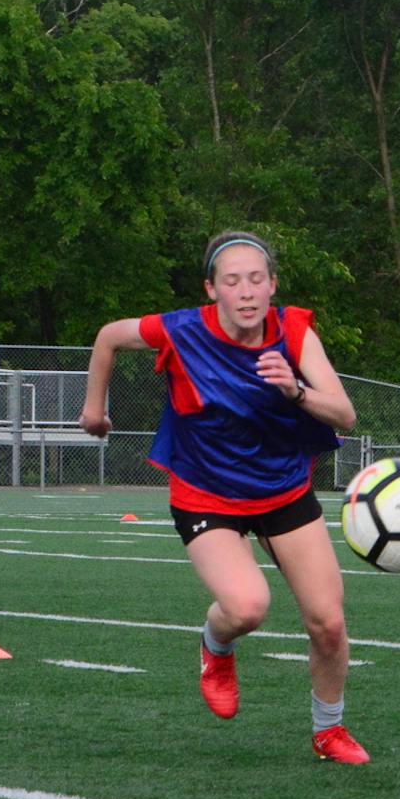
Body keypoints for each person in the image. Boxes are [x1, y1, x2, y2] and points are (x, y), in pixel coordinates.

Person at [79, 231, 370, 764]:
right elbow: (106, 337)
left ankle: (329, 731)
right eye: (232, 281)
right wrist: (94, 409)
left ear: (273, 285)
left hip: (283, 489)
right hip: (206, 491)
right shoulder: (180, 330)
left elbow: (344, 414)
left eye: (257, 279)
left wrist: (295, 390)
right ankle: (216, 647)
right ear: (211, 290)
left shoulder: (295, 333)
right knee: (247, 606)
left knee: (328, 623)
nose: (247, 291)